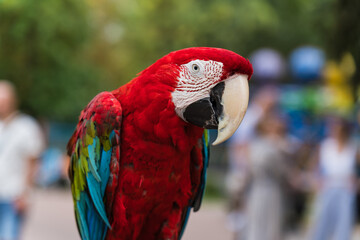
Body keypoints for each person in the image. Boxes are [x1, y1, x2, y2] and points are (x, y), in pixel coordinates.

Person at [0, 80, 44, 240]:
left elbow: (33, 162)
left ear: (12, 101)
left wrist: (27, 194)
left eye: (3, 100)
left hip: (13, 197)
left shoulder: (26, 127)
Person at [245, 112, 297, 240]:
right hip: (268, 189)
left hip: (266, 189)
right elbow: (281, 170)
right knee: (265, 224)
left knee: (267, 225)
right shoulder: (270, 146)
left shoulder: (260, 145)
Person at [310, 117, 358, 240]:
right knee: (322, 222)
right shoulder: (325, 146)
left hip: (346, 189)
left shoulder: (352, 148)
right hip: (328, 187)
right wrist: (316, 180)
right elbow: (315, 167)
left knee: (344, 222)